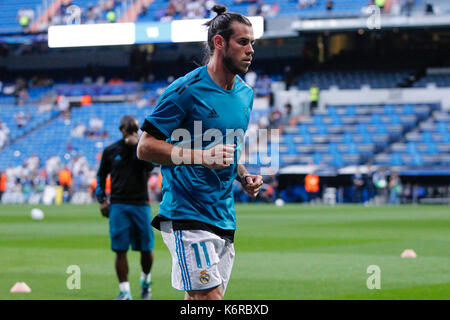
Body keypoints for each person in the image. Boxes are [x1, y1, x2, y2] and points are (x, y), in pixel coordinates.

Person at [136, 4, 263, 300]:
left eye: (252, 43)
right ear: (219, 43)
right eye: (243, 42)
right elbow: (145, 147)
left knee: (198, 302)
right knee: (210, 299)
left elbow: (229, 147)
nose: (251, 50)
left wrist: (243, 175)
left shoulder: (246, 94)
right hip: (186, 212)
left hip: (223, 215)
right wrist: (202, 157)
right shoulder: (185, 90)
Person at [96, 115, 155, 300]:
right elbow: (100, 176)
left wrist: (137, 147)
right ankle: (125, 292)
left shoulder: (143, 150)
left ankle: (145, 281)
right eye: (129, 130)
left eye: (135, 130)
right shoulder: (111, 150)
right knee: (120, 249)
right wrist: (102, 200)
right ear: (121, 130)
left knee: (146, 248)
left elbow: (150, 167)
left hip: (141, 204)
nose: (132, 133)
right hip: (119, 205)